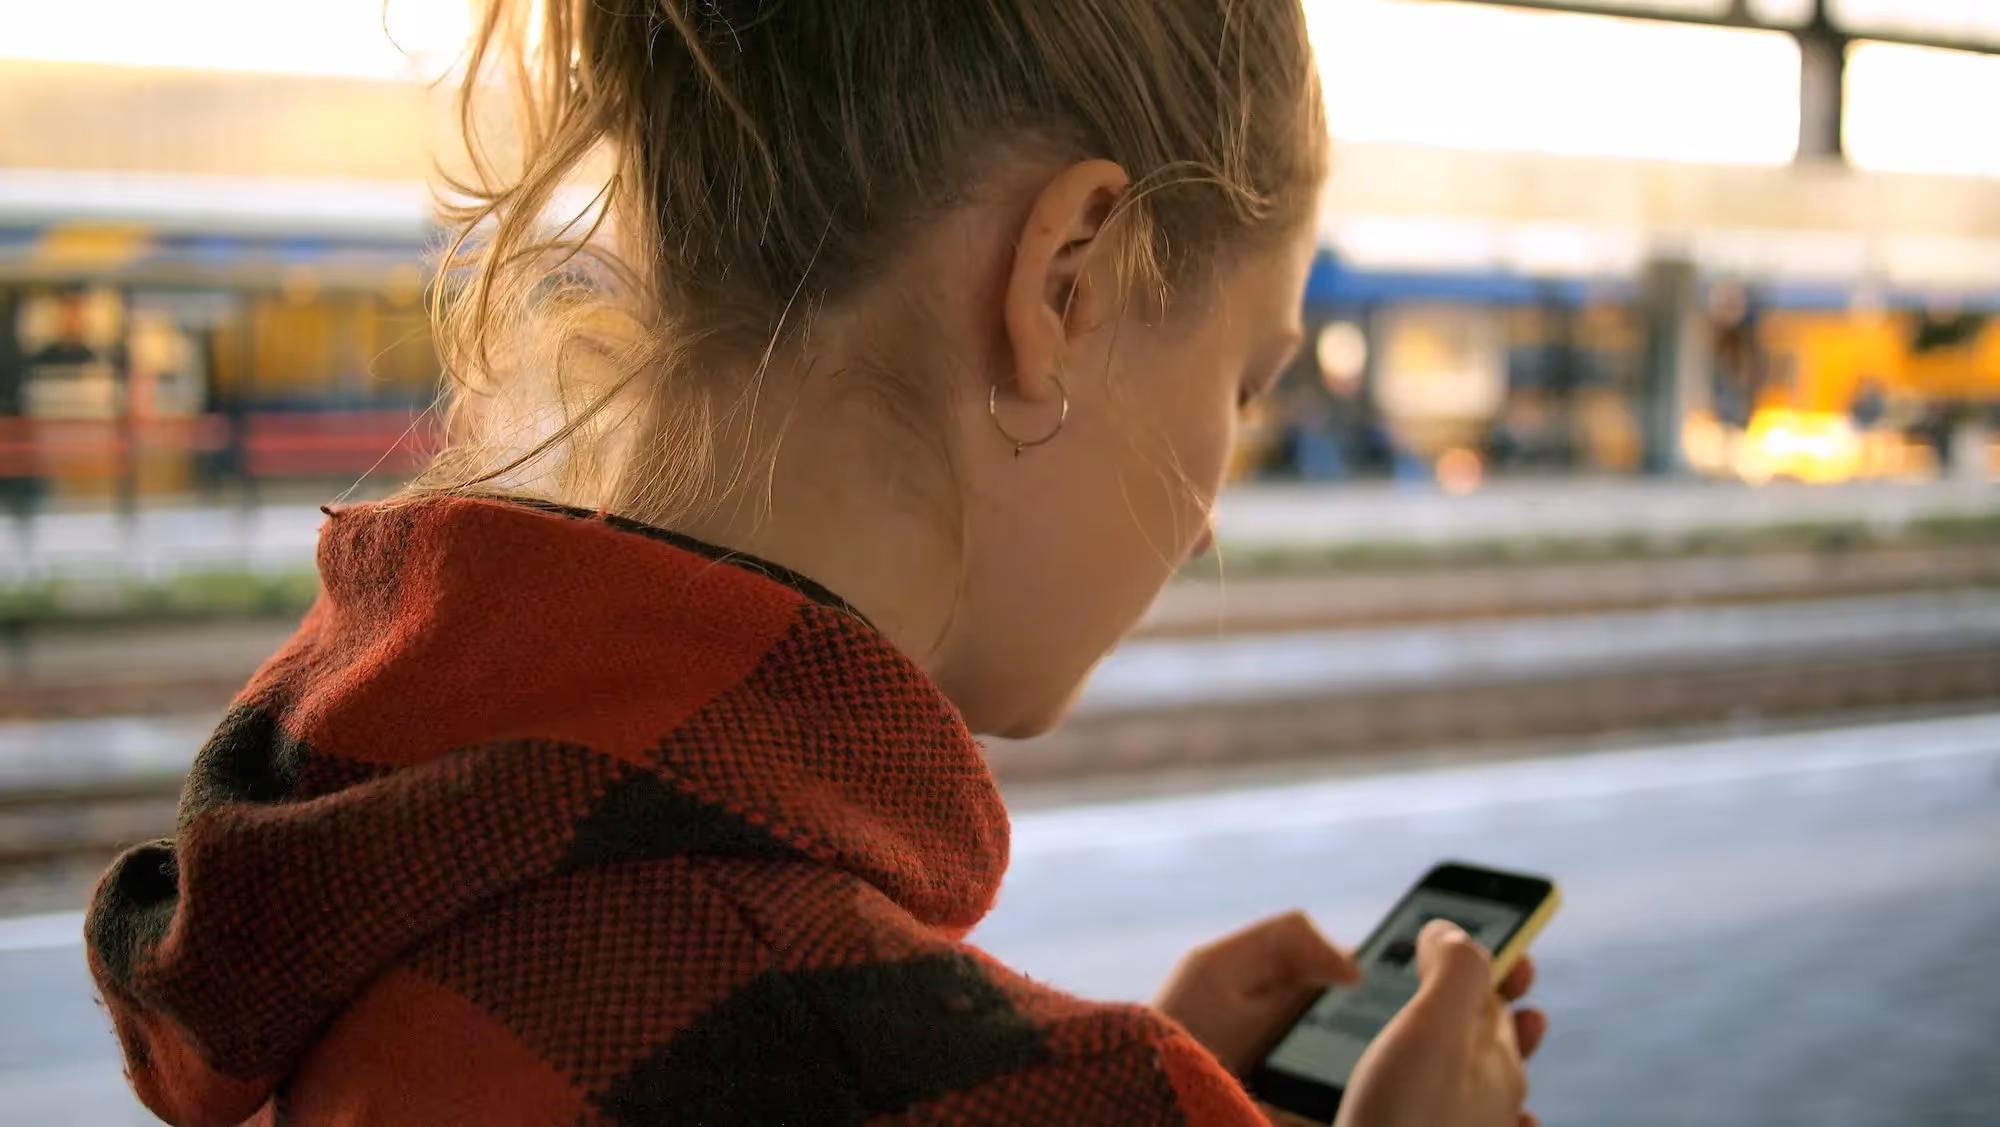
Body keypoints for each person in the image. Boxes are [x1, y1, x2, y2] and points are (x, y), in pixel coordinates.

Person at [85, 1, 1546, 1123]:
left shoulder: (362, 850)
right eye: (1243, 378)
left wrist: (1030, 1055)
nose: (1212, 505)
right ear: (1067, 280)